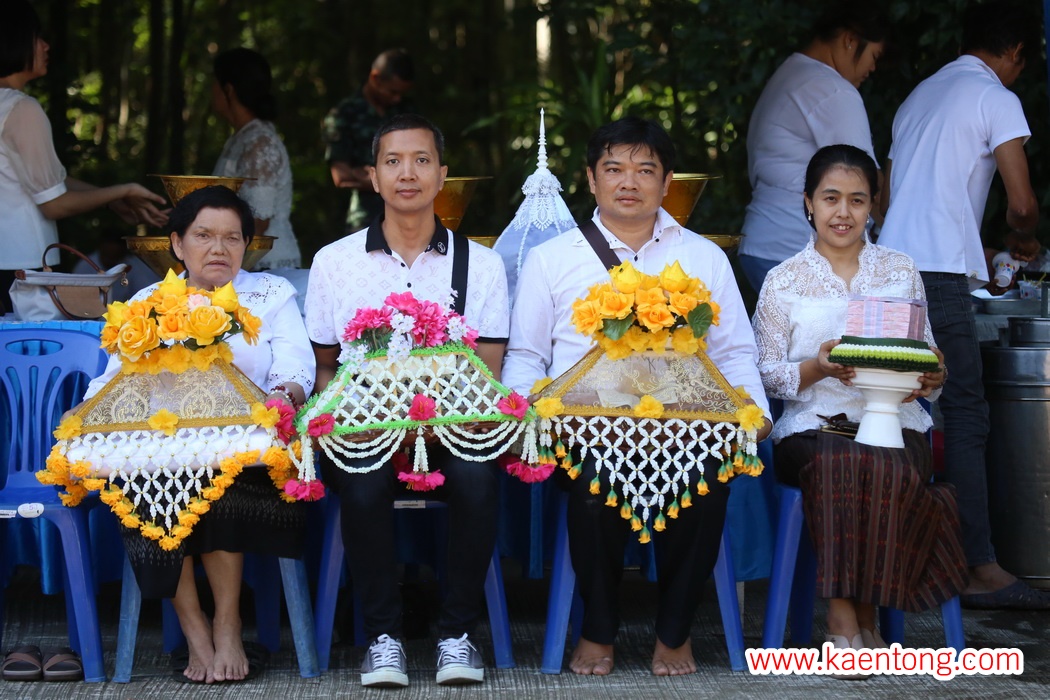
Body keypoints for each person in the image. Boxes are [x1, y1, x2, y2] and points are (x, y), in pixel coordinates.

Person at [503, 117, 770, 677]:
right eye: (614, 169)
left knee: (708, 485)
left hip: (686, 431)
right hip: (585, 430)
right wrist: (539, 418)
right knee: (592, 489)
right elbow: (526, 357)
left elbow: (735, 355)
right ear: (591, 179)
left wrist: (754, 416)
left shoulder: (704, 258)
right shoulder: (552, 259)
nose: (629, 182)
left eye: (645, 170)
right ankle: (598, 628)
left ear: (667, 181)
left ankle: (674, 632)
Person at [306, 114, 509, 688]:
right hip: (365, 430)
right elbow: (324, 368)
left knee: (477, 478)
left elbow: (488, 372)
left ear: (442, 175)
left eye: (422, 160)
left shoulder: (482, 264)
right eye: (392, 161)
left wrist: (438, 424)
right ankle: (383, 638)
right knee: (362, 481)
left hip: (453, 430)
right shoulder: (334, 262)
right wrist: (352, 421)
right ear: (373, 177)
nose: (407, 174)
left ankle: (456, 635)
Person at [82, 186, 315, 683]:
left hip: (249, 452)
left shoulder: (270, 294)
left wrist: (283, 395)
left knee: (218, 484)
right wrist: (85, 411)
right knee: (142, 483)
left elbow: (296, 365)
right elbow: (113, 379)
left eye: (232, 237)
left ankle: (228, 622)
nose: (218, 248)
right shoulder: (147, 303)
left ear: (247, 245)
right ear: (177, 243)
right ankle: (194, 628)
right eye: (204, 235)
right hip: (162, 451)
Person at [753, 145, 967, 662]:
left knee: (884, 462)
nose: (843, 213)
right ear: (809, 202)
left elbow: (930, 360)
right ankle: (845, 618)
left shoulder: (899, 269)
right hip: (812, 427)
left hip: (895, 421)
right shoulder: (783, 280)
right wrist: (818, 367)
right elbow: (765, 377)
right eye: (830, 198)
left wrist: (931, 376)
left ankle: (865, 613)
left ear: (873, 205)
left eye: (857, 199)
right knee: (839, 461)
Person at [877, 0, 1050, 609]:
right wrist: (1024, 238)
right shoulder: (994, 97)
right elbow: (1021, 203)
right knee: (967, 413)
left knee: (895, 408)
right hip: (940, 277)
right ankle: (978, 566)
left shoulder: (918, 97)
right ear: (1016, 53)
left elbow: (890, 199)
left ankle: (897, 557)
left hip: (888, 270)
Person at [0, 0, 168, 313]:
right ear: (14, 40)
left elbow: (48, 181)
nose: (46, 46)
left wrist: (109, 197)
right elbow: (53, 203)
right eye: (38, 37)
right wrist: (123, 190)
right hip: (21, 269)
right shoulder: (22, 109)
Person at [739, 4, 887, 294]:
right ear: (850, 40)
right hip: (797, 249)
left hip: (764, 242)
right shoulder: (832, 90)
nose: (872, 69)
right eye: (874, 56)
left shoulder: (788, 75)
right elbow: (866, 183)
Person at [212, 47, 301, 269]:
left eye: (214, 83)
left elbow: (258, 221)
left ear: (228, 89)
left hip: (263, 265)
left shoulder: (260, 143)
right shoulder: (242, 138)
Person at [323, 48, 415, 234]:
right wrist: (398, 183)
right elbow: (341, 176)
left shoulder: (407, 112)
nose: (396, 99)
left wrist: (370, 177)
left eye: (401, 94)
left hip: (410, 218)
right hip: (363, 221)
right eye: (392, 92)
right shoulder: (344, 115)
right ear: (375, 78)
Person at [72, 228, 160, 302]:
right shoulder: (85, 266)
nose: (110, 259)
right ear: (100, 247)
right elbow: (73, 299)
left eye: (115, 257)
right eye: (107, 256)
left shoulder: (134, 266)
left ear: (123, 251)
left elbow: (150, 293)